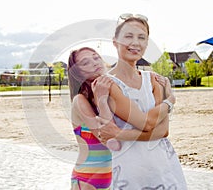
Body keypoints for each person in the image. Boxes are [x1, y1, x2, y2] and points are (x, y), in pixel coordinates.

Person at [98, 13, 187, 189]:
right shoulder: (106, 84)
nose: (135, 43)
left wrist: (119, 133)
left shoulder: (155, 80)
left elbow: (163, 131)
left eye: (141, 37)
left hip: (163, 167)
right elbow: (147, 123)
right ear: (115, 41)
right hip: (130, 171)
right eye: (128, 36)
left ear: (147, 43)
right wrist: (169, 101)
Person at [68, 47, 175, 189]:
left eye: (96, 57)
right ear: (78, 73)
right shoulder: (80, 100)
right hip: (89, 178)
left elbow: (143, 120)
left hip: (116, 176)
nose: (94, 63)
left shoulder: (113, 91)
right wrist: (102, 101)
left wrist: (163, 92)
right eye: (85, 62)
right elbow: (114, 144)